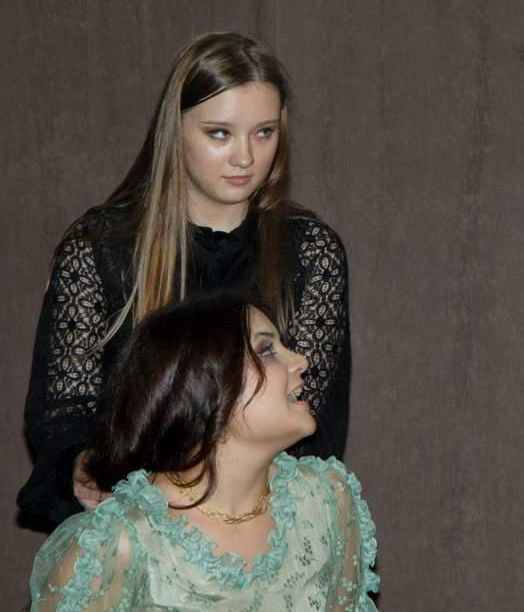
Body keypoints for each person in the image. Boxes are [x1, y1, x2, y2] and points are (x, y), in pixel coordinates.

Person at [19, 32, 351, 527]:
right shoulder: (100, 247)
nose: (245, 157)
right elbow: (64, 412)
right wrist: (83, 465)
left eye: (264, 132)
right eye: (220, 133)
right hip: (131, 519)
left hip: (262, 523)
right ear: (174, 131)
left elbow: (310, 426)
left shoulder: (309, 251)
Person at [29, 292, 378, 611]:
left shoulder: (328, 501)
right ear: (201, 388)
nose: (301, 360)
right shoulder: (123, 542)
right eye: (266, 350)